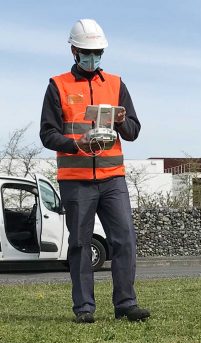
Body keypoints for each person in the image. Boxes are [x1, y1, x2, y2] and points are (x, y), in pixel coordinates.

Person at [40, 19, 150, 323]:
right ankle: (84, 308)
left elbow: (134, 130)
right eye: (87, 52)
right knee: (79, 244)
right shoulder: (57, 85)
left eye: (98, 52)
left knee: (125, 239)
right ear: (74, 51)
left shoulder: (116, 84)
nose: (93, 57)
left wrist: (120, 122)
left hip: (112, 178)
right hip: (76, 181)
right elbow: (47, 134)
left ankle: (126, 304)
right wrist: (77, 143)